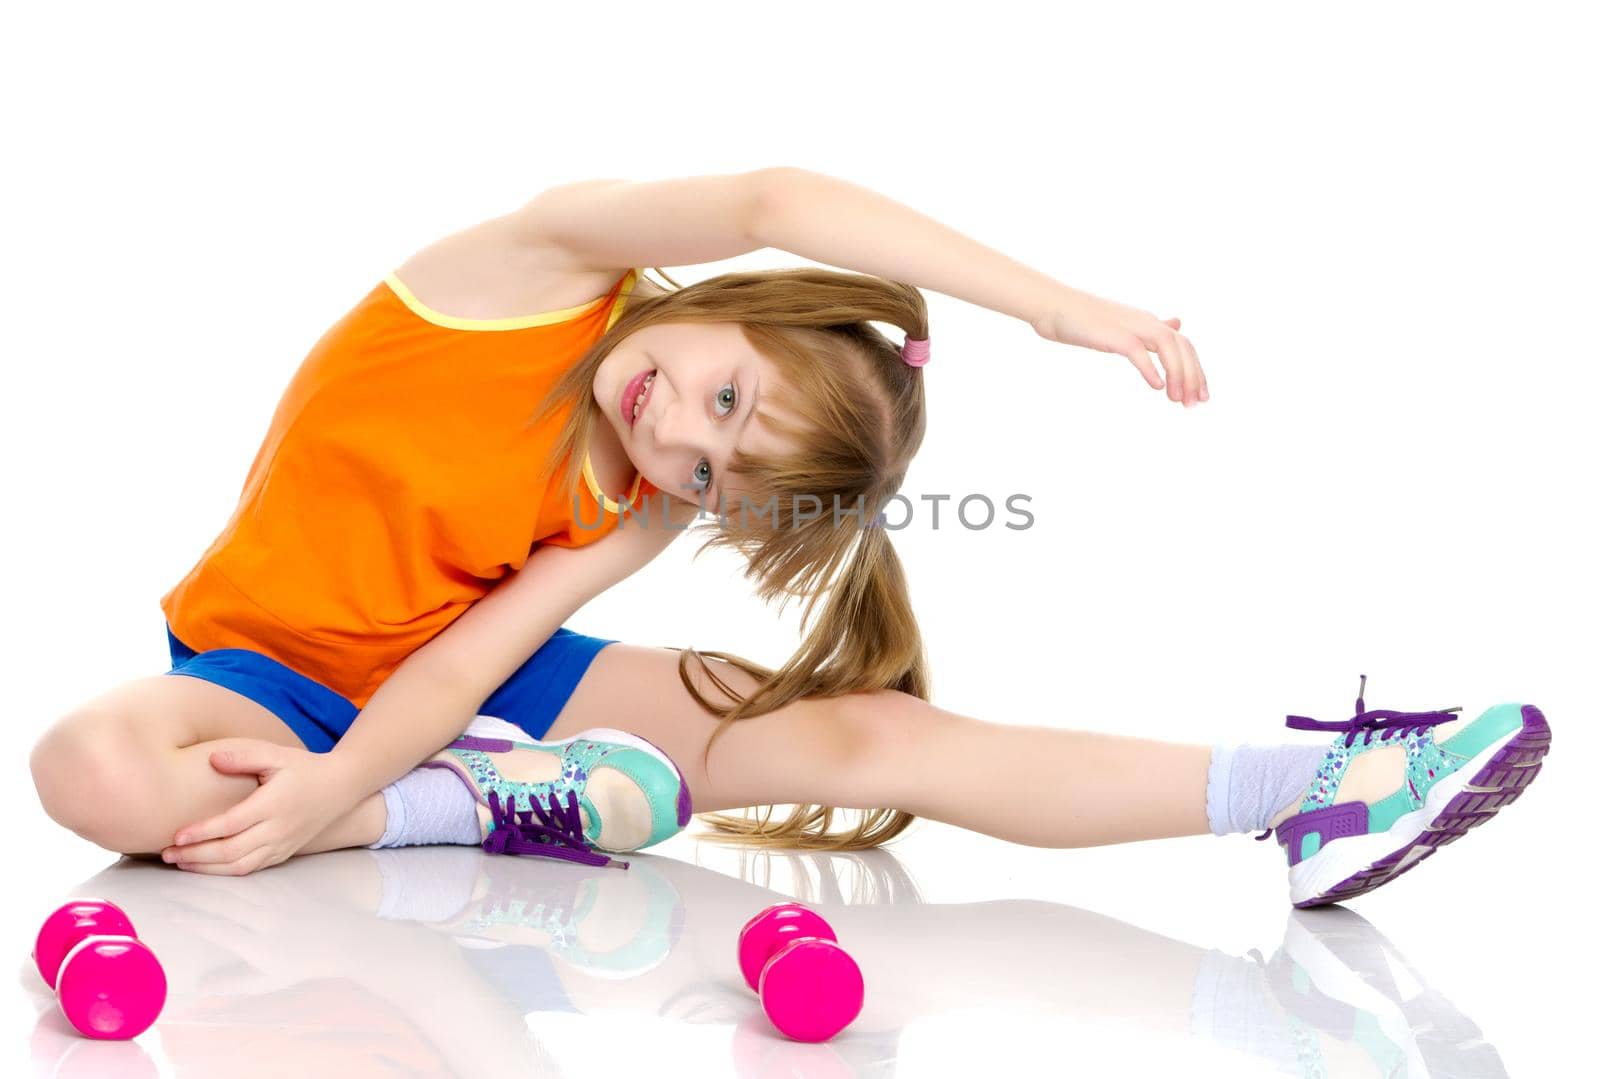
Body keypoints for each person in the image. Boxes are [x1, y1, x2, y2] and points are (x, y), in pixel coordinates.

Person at [29, 168, 1551, 906]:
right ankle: (490, 800)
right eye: (723, 392)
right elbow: (775, 188)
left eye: (711, 469)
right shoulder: (527, 274)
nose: (674, 433)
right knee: (88, 770)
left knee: (870, 739)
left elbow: (462, 661)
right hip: (257, 677)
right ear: (737, 304)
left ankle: (1320, 790)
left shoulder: (631, 498)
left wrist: (347, 804)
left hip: (459, 702)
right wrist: (1055, 306)